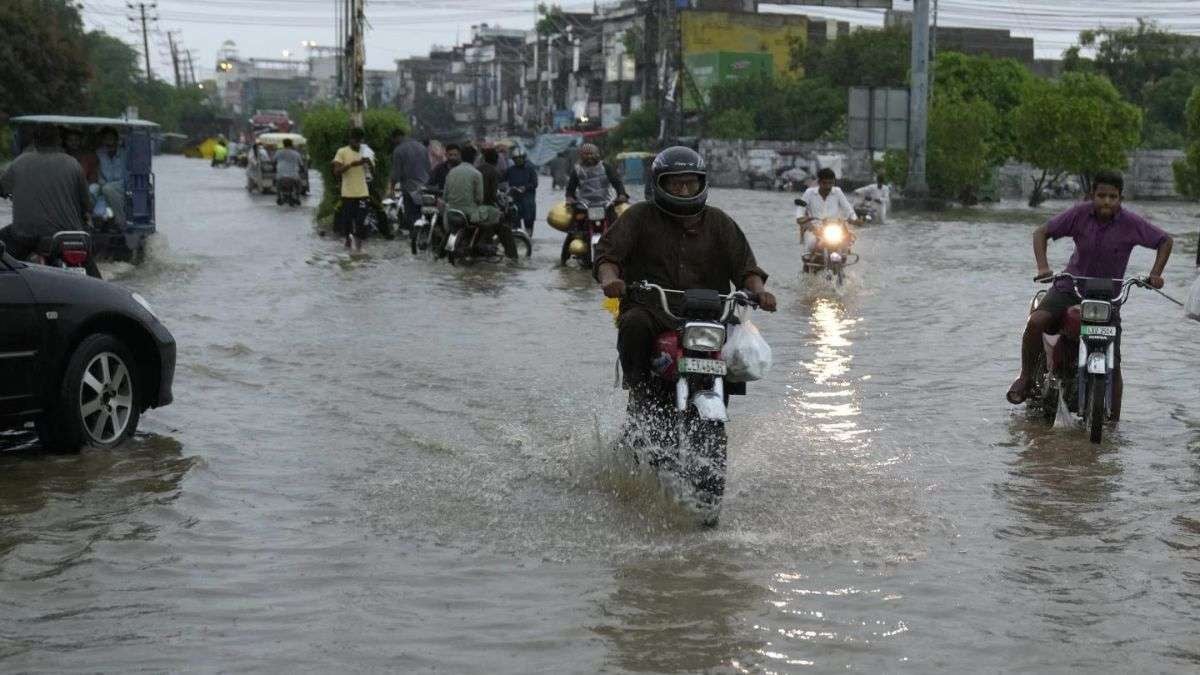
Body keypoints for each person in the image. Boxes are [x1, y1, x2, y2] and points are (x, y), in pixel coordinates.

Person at [594, 146, 778, 412]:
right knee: (634, 323)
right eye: (676, 184)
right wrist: (610, 280)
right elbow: (607, 257)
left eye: (690, 184)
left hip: (709, 314)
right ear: (659, 184)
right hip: (653, 310)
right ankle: (639, 390)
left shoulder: (719, 222)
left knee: (735, 346)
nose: (683, 191)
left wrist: (760, 292)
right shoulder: (638, 216)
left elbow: (746, 267)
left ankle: (720, 393)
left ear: (701, 184)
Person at [1006, 170, 1172, 420]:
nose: (1107, 201)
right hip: (1068, 289)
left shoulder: (1131, 223)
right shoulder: (1078, 214)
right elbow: (1041, 233)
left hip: (1106, 298)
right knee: (1036, 322)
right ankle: (1025, 378)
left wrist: (1155, 274)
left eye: (1113, 197)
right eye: (1102, 195)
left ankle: (1114, 424)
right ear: (1091, 195)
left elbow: (1165, 240)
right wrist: (1043, 267)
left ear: (1121, 198)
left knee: (1113, 360)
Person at [0, 124, 91, 267]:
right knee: (92, 275)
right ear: (59, 141)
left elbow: (3, 188)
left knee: (6, 263)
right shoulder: (73, 164)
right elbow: (86, 203)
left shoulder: (19, 162)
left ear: (35, 141)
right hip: (68, 235)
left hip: (25, 235)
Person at [443, 145, 517, 260]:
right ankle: (483, 244)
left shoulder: (454, 171)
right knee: (498, 218)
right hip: (472, 211)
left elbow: (445, 196)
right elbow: (481, 198)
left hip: (452, 210)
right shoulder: (481, 172)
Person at [797, 168, 858, 258]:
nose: (828, 186)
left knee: (845, 246)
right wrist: (804, 220)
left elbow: (848, 210)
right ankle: (807, 266)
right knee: (810, 244)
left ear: (834, 183)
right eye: (825, 183)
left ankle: (841, 266)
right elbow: (800, 215)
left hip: (834, 228)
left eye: (831, 183)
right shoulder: (809, 193)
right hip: (815, 229)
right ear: (819, 182)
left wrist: (854, 219)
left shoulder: (838, 192)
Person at [566, 143, 629, 224]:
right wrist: (569, 198)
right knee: (575, 225)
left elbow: (617, 182)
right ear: (581, 156)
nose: (589, 156)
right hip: (584, 203)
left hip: (605, 201)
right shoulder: (577, 170)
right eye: (586, 154)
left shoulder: (606, 167)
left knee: (615, 223)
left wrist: (621, 194)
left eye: (591, 154)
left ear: (597, 154)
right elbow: (571, 187)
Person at [332, 127, 372, 252]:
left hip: (363, 193)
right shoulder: (342, 152)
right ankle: (348, 242)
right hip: (347, 194)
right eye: (354, 141)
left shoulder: (366, 152)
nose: (356, 144)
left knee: (361, 221)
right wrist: (351, 165)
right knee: (348, 222)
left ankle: (359, 248)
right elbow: (336, 172)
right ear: (350, 139)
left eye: (359, 141)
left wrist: (368, 163)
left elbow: (373, 172)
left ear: (361, 140)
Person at [389, 128, 431, 230]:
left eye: (393, 140)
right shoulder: (422, 147)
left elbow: (396, 173)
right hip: (425, 185)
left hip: (409, 186)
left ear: (397, 137)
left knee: (411, 213)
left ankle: (414, 234)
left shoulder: (398, 150)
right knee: (424, 211)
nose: (393, 142)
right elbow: (428, 167)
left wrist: (391, 189)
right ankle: (424, 231)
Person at [94, 126, 127, 226]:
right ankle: (94, 219)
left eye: (111, 137)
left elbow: (127, 175)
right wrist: (101, 182)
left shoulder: (124, 153)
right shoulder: (99, 153)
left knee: (108, 189)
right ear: (102, 140)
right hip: (105, 184)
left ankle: (121, 221)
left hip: (122, 184)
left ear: (116, 139)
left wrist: (108, 185)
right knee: (93, 189)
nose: (109, 140)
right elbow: (98, 172)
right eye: (106, 138)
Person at [504, 146, 539, 236]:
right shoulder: (510, 170)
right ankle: (518, 237)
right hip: (515, 198)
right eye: (516, 159)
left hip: (528, 198)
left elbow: (535, 183)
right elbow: (502, 180)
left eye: (520, 158)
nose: (518, 160)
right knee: (514, 219)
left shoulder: (530, 169)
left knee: (529, 219)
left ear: (524, 158)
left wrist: (525, 187)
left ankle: (528, 235)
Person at [273, 138, 304, 204]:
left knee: (277, 184)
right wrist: (302, 170)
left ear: (283, 144)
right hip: (294, 176)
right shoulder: (296, 153)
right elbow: (301, 165)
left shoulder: (278, 152)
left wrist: (275, 169)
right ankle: (298, 198)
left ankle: (278, 197)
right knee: (299, 184)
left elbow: (274, 161)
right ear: (291, 144)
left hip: (280, 175)